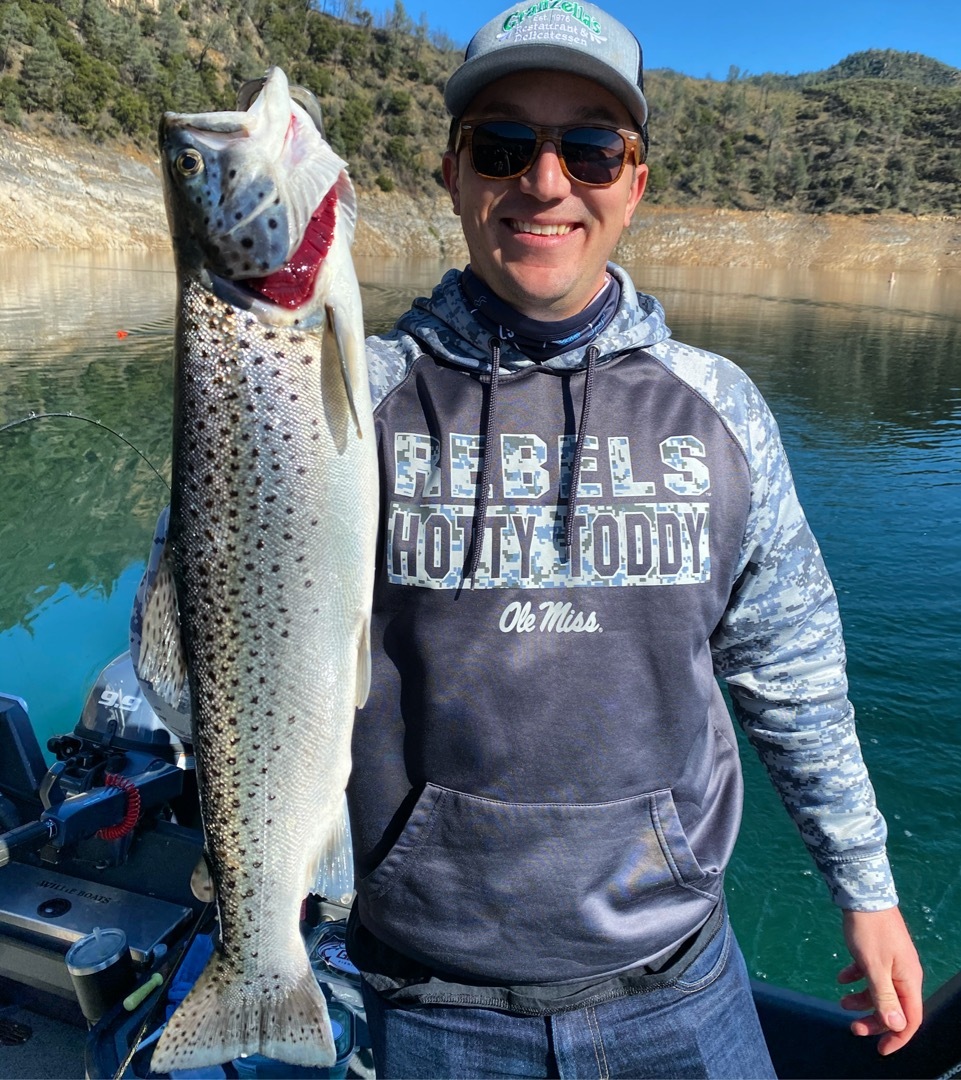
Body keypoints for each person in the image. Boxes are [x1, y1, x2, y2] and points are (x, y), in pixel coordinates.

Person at [132, 4, 923, 1075]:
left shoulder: (719, 409)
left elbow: (791, 674)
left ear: (634, 183)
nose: (546, 181)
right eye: (504, 147)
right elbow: (215, 589)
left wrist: (865, 890)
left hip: (682, 984)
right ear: (453, 174)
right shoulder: (363, 387)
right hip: (436, 1002)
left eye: (590, 147)